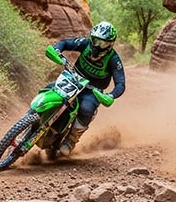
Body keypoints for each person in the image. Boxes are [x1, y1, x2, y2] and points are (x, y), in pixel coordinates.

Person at [52, 21, 126, 157]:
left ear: (110, 44)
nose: (97, 45)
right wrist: (57, 50)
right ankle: (34, 117)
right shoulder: (85, 43)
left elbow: (120, 83)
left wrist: (111, 95)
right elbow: (65, 43)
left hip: (92, 91)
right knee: (51, 89)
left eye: (102, 43)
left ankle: (71, 140)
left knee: (86, 108)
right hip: (73, 79)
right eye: (95, 40)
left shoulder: (113, 59)